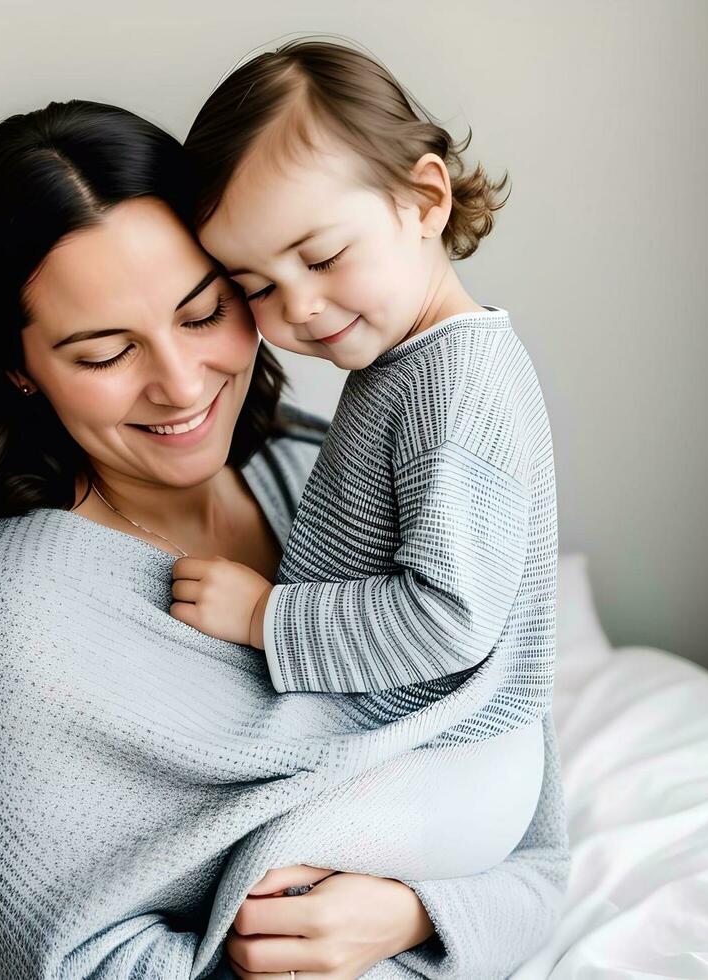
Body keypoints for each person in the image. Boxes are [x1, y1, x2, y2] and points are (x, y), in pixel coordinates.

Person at [0, 98, 570, 979]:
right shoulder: (16, 621)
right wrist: (275, 953)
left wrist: (411, 914)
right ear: (16, 365)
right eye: (103, 353)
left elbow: (537, 861)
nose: (180, 384)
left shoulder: (323, 468)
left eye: (205, 313)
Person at [171, 38, 557, 873]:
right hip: (434, 748)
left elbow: (448, 618)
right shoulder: (409, 360)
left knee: (249, 872)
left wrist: (265, 618)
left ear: (424, 199)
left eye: (321, 257)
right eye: (259, 287)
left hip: (459, 759)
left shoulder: (452, 384)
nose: (300, 306)